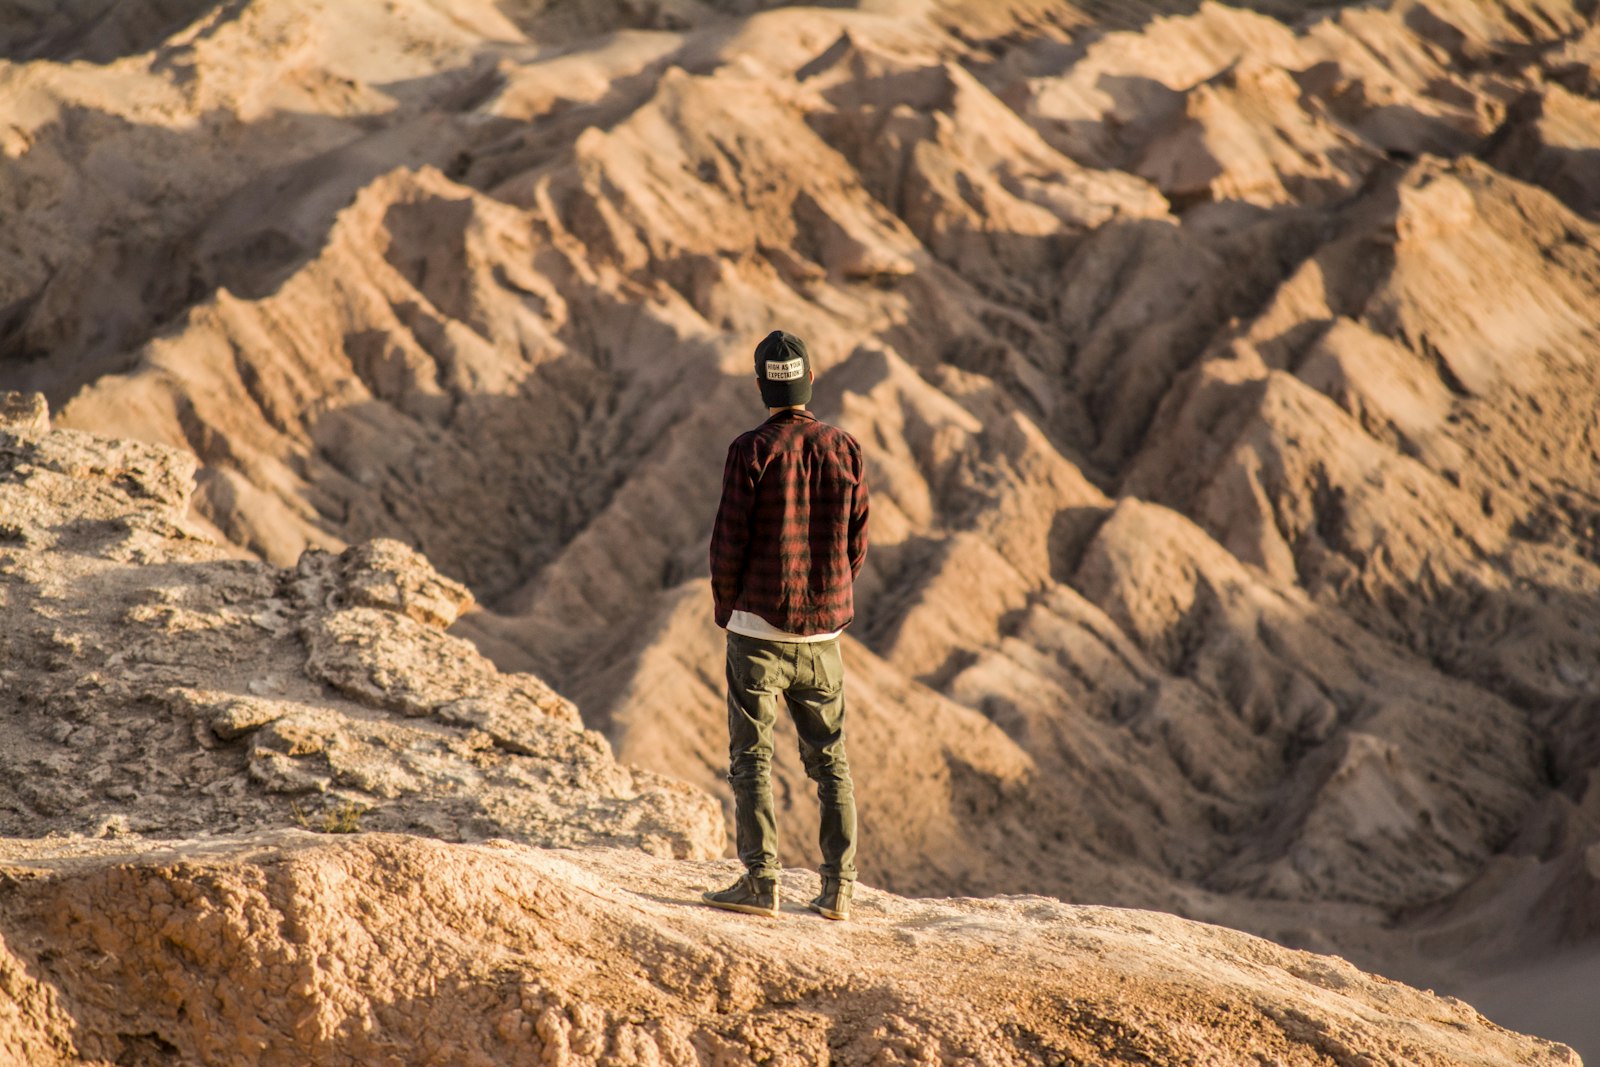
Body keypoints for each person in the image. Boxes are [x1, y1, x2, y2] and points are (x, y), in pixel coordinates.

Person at [702, 330, 869, 921]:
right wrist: (828, 599)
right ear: (811, 382)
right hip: (823, 638)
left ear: (759, 387)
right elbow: (856, 543)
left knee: (752, 759)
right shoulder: (843, 447)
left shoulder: (750, 450)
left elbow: (728, 545)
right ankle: (838, 889)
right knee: (831, 763)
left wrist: (730, 610)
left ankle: (761, 882)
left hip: (756, 629)